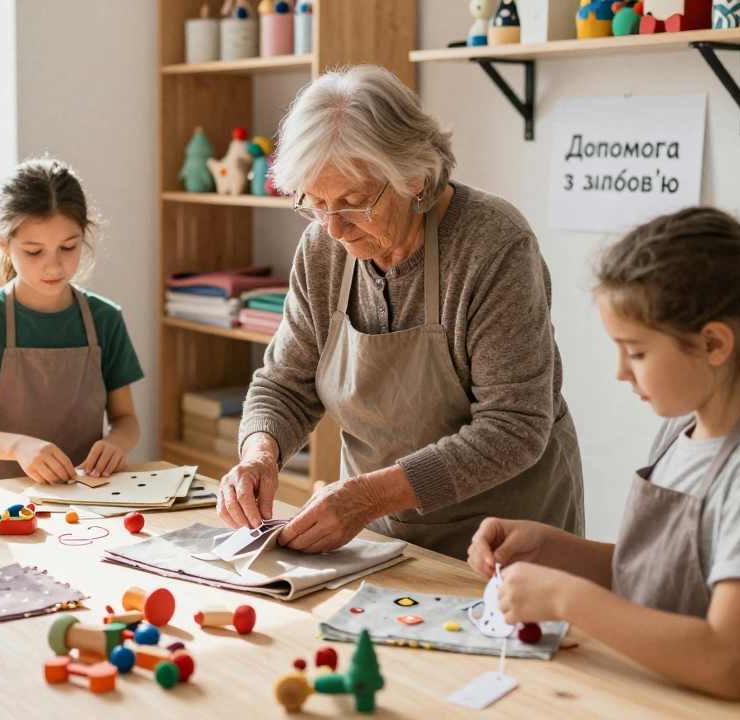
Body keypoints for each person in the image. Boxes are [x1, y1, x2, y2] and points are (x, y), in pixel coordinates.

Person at [469, 208, 740, 698]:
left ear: (713, 343)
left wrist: (568, 597)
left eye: (636, 352)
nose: (621, 372)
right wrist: (553, 550)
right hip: (654, 685)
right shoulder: (681, 430)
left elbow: (728, 662)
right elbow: (668, 575)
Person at [220, 65, 583, 559]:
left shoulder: (494, 246)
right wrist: (259, 455)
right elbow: (286, 382)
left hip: (505, 535)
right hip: (374, 530)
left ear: (414, 176)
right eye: (315, 203)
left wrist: (367, 496)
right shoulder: (322, 250)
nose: (333, 230)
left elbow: (514, 427)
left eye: (350, 203)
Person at [0, 158, 144, 483]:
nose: (54, 266)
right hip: (6, 499)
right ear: (3, 245)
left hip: (89, 497)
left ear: (84, 235)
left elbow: (126, 418)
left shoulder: (105, 319)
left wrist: (117, 443)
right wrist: (17, 446)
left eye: (68, 247)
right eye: (34, 252)